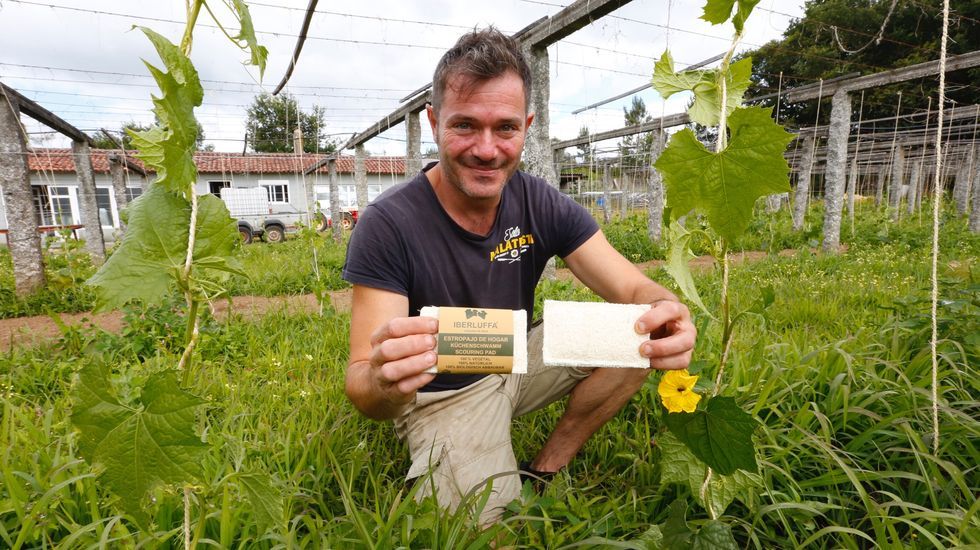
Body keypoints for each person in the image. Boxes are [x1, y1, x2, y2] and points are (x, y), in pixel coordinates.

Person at [342, 27, 696, 523]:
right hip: (441, 393)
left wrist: (667, 311)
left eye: (505, 128)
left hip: (511, 355)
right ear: (434, 120)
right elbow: (361, 382)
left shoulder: (538, 200)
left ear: (526, 126)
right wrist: (384, 382)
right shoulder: (388, 223)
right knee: (483, 525)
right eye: (465, 125)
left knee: (638, 331)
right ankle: (468, 451)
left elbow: (633, 287)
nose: (487, 150)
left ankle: (547, 467)